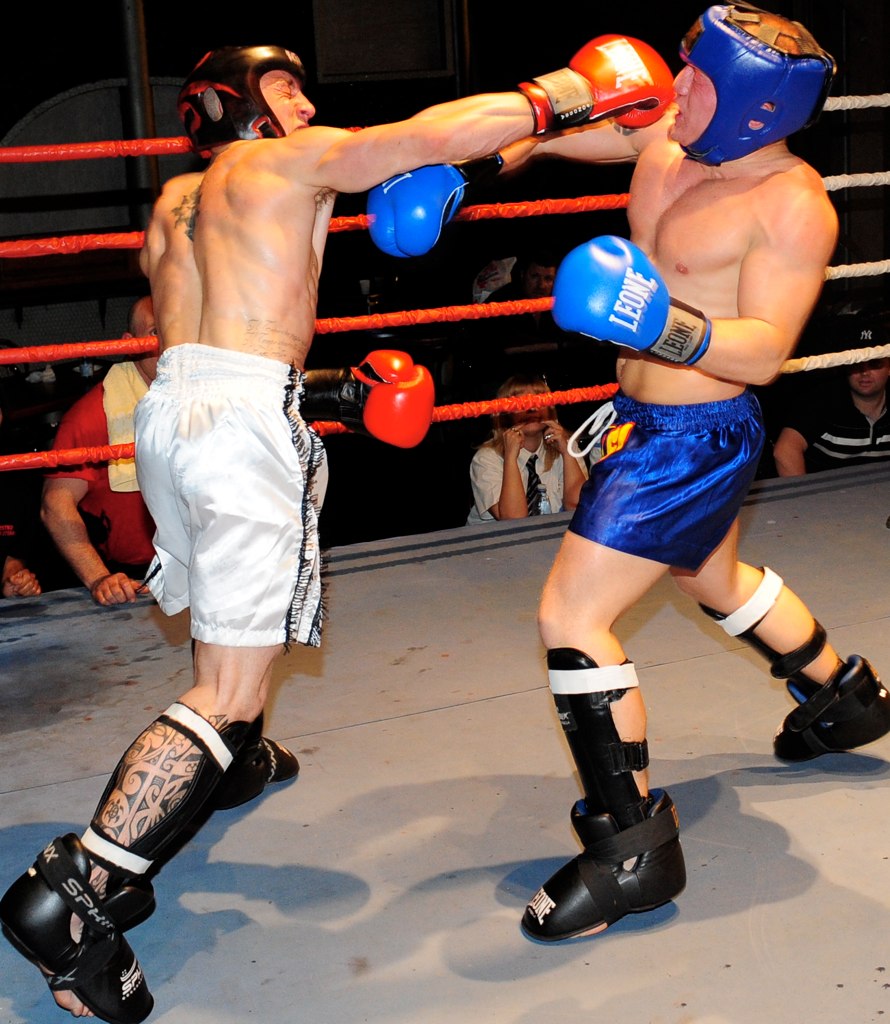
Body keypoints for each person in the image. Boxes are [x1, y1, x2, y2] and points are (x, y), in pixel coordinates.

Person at [0, 37, 676, 1022]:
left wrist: (319, 393)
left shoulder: (178, 202)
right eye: (286, 86)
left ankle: (225, 768)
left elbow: (217, 328)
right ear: (239, 105)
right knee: (225, 688)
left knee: (225, 633)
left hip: (171, 415)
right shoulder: (276, 162)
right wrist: (562, 93)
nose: (307, 102)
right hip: (233, 431)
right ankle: (77, 890)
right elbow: (414, 142)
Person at [41, 296, 159, 606]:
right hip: (132, 581)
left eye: (177, 327)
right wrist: (99, 577)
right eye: (156, 331)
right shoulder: (96, 414)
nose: (169, 342)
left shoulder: (210, 402)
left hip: (202, 570)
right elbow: (56, 503)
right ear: (129, 344)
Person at [773, 318, 890, 475]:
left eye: (874, 363)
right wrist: (805, 497)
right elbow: (785, 451)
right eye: (857, 362)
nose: (864, 371)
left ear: (889, 368)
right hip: (829, 494)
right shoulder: (823, 398)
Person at [467, 373, 587, 523]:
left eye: (538, 398)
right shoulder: (487, 458)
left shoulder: (566, 446)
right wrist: (510, 458)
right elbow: (513, 519)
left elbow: (578, 506)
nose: (531, 407)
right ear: (504, 413)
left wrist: (567, 453)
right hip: (496, 542)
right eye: (520, 401)